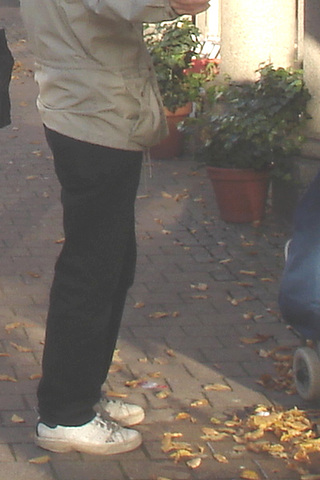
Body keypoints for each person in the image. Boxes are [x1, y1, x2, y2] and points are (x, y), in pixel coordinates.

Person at [20, 0, 210, 455]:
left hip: (90, 110)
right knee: (93, 268)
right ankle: (66, 415)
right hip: (95, 119)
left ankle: (82, 391)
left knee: (112, 263)